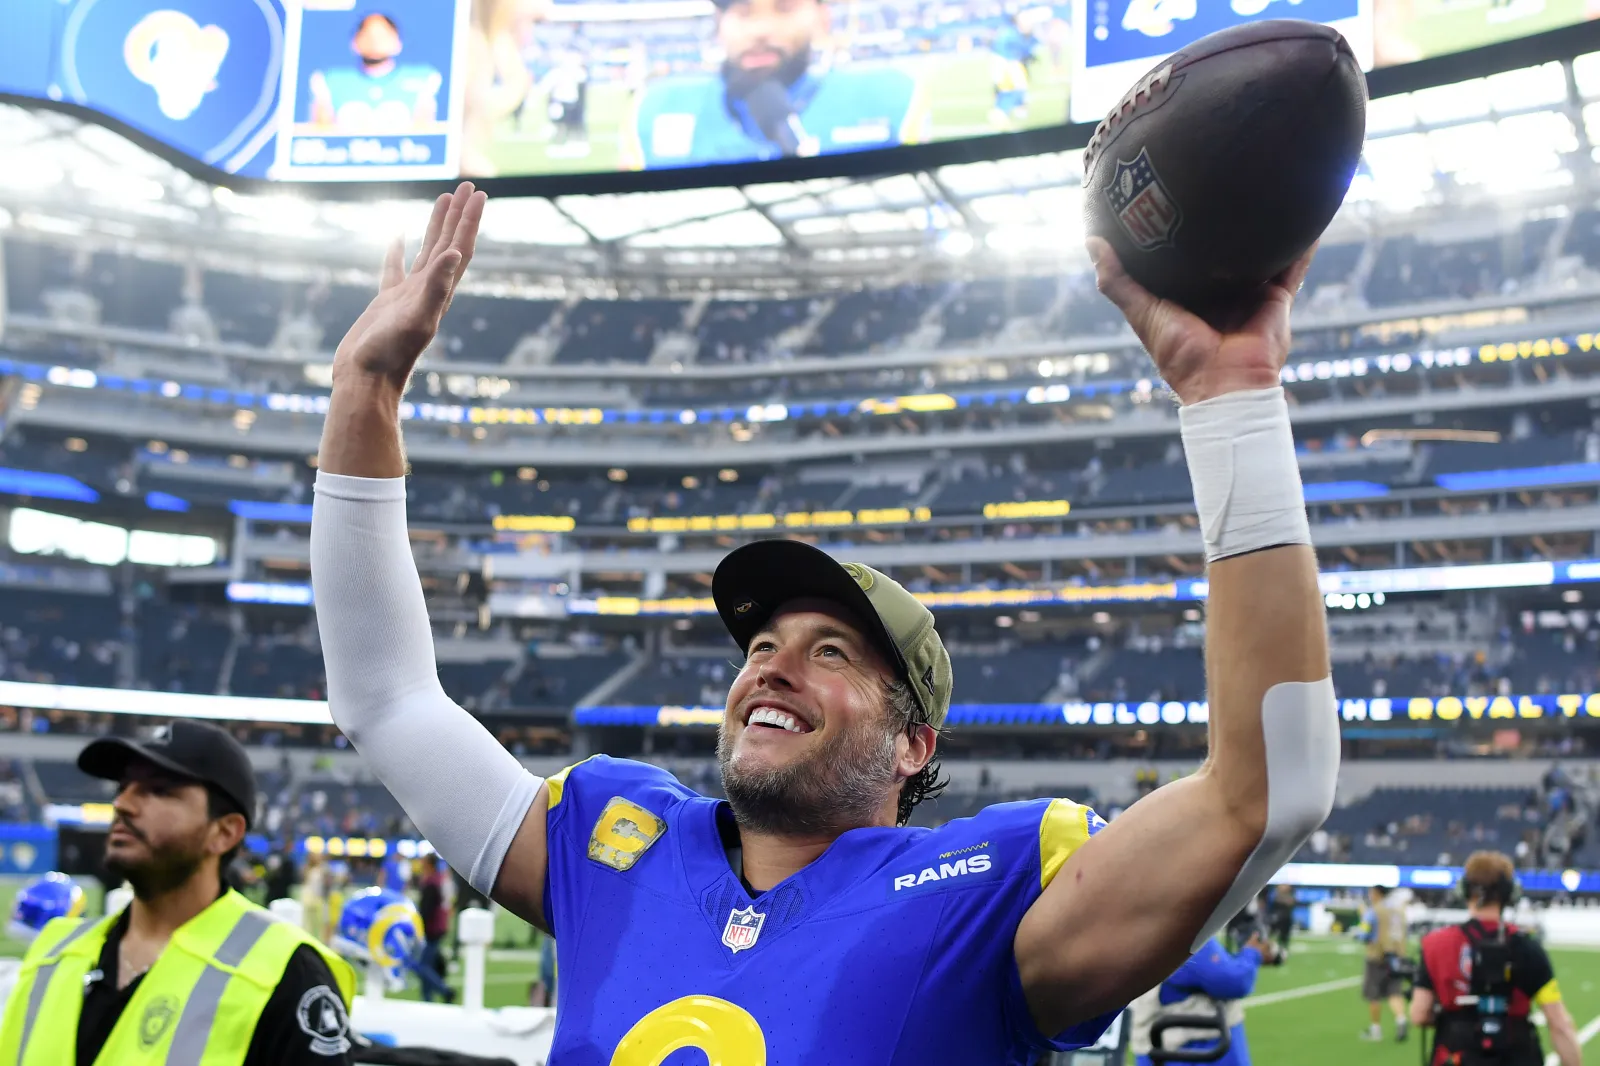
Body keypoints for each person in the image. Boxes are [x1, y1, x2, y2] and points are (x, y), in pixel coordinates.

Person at [307, 184, 1338, 1063]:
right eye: (759, 647)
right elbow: (387, 698)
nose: (771, 669)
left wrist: (1229, 396)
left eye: (829, 652)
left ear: (912, 741)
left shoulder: (984, 895)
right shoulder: (611, 843)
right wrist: (365, 387)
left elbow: (1263, 793)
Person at [0, 720, 356, 1066]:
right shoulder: (52, 954)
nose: (123, 803)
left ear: (225, 833)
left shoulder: (287, 972)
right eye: (123, 786)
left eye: (159, 790)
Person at [621, 0, 929, 167]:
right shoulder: (654, 109)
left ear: (823, 17)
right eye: (743, 11)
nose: (761, 30)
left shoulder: (892, 97)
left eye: (785, 8)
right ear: (719, 23)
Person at [1411, 851, 1583, 1066]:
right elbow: (1559, 1023)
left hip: (1455, 1054)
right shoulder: (1527, 948)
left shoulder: (1434, 945)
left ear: (1463, 890)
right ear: (1510, 893)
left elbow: (1419, 1014)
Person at [1130, 931, 1276, 1066]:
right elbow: (1232, 981)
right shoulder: (1184, 933)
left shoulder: (1148, 931)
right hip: (1191, 1050)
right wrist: (1252, 953)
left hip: (1161, 1048)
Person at [309, 12, 442, 134]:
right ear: (355, 42)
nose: (375, 41)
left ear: (397, 42)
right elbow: (322, 132)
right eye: (368, 35)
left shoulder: (423, 79)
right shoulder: (330, 80)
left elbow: (424, 132)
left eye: (383, 35)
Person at [1361, 884, 1412, 1041]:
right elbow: (1406, 933)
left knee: (1374, 994)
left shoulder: (1374, 910)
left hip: (1378, 956)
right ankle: (1401, 1019)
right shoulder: (1399, 910)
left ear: (1377, 893)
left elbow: (1364, 934)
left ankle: (1375, 1029)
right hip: (1397, 957)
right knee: (1394, 992)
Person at [413, 853, 456, 1004]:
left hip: (431, 929)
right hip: (437, 927)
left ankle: (445, 990)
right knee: (427, 964)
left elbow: (427, 909)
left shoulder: (431, 882)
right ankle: (427, 998)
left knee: (422, 966)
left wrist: (418, 926)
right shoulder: (437, 880)